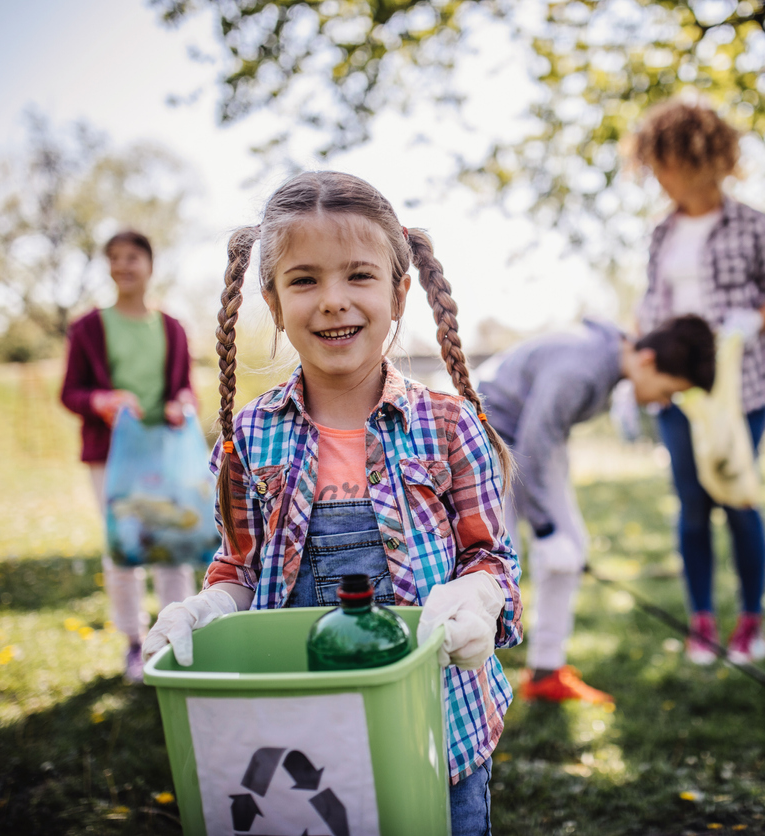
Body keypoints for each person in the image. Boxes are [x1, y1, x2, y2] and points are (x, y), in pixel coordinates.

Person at [139, 172, 521, 836]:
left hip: (439, 738)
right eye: (305, 279)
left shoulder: (449, 426)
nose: (333, 302)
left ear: (400, 292)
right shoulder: (249, 437)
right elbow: (240, 570)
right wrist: (207, 609)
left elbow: (493, 561)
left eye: (359, 276)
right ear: (273, 300)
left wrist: (480, 599)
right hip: (293, 745)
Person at [627, 99, 765, 666]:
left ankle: (751, 622)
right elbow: (649, 305)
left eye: (666, 164)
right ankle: (702, 622)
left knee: (739, 500)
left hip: (741, 388)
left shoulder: (754, 225)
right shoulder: (661, 233)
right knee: (691, 506)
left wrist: (753, 320)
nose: (659, 177)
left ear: (699, 160)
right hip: (679, 390)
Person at [479, 316, 716, 703]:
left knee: (571, 549)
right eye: (668, 391)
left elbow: (543, 441)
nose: (662, 402)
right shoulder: (582, 369)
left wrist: (555, 533)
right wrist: (543, 529)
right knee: (495, 567)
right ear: (648, 360)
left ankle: (545, 673)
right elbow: (530, 447)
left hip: (530, 442)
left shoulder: (615, 355)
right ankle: (469, 685)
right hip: (488, 440)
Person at [60, 230, 198, 684]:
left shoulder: (172, 327)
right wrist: (101, 399)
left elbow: (183, 388)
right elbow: (71, 393)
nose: (123, 265)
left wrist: (182, 402)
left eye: (132, 257)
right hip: (113, 456)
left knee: (172, 546)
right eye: (114, 258)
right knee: (125, 549)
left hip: (165, 451)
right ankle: (135, 644)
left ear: (150, 264)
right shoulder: (88, 328)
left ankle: (179, 635)